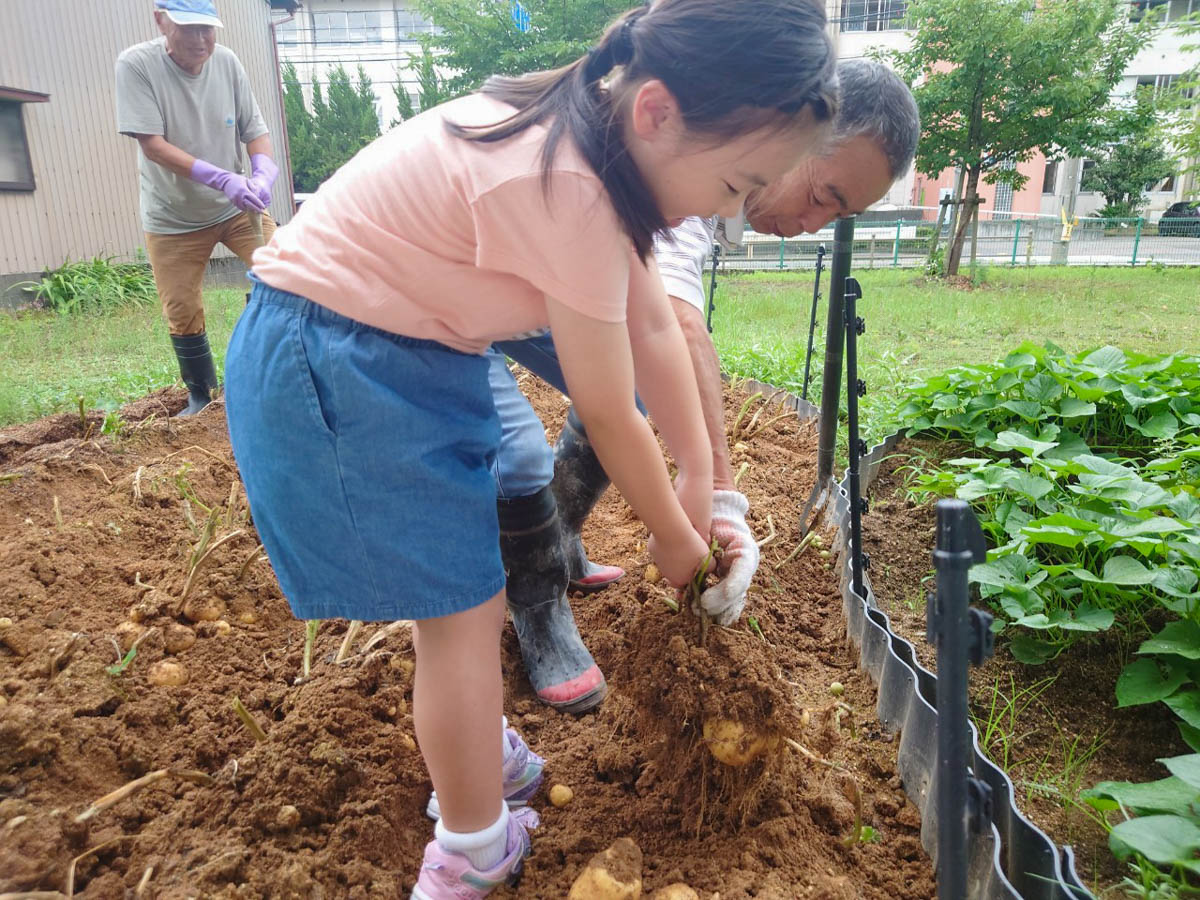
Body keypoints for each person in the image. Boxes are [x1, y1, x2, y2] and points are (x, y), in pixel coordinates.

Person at [223, 0, 837, 893]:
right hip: (338, 358)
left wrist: (706, 485)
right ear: (658, 112)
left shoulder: (598, 145)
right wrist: (675, 543)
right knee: (460, 619)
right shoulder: (572, 187)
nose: (732, 211)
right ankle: (473, 848)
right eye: (738, 185)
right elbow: (608, 407)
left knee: (463, 602)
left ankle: (473, 745)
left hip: (405, 352)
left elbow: (655, 334)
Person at [492, 58, 919, 715]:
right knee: (518, 458)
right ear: (794, 139)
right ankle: (535, 596)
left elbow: (658, 334)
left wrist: (710, 491)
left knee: (635, 388)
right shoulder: (697, 156)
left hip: (529, 291)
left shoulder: (723, 171)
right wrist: (713, 505)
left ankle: (560, 534)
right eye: (824, 194)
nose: (813, 222)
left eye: (838, 215)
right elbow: (677, 323)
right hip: (440, 313)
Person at [116, 0, 281, 415]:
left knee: (285, 272)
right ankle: (201, 396)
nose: (200, 40)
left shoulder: (226, 62)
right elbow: (152, 145)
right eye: (188, 29)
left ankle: (275, 375)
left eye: (207, 29)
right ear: (161, 21)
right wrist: (222, 178)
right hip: (172, 217)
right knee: (182, 308)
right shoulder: (136, 65)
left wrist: (261, 172)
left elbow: (256, 132)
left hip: (238, 209)